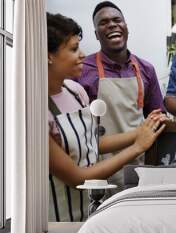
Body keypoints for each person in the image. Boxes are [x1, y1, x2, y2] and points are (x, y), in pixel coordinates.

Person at [47, 13, 166, 222]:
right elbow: (77, 177)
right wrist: (137, 146)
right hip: (58, 217)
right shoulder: (36, 110)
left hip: (90, 209)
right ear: (49, 55)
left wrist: (141, 132)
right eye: (74, 49)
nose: (82, 54)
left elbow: (92, 142)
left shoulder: (75, 91)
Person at [77, 1, 166, 187]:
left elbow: (158, 116)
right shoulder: (82, 70)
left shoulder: (146, 69)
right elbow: (77, 132)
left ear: (126, 27)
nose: (111, 24)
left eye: (117, 20)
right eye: (103, 22)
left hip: (139, 167)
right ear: (96, 34)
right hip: (98, 166)